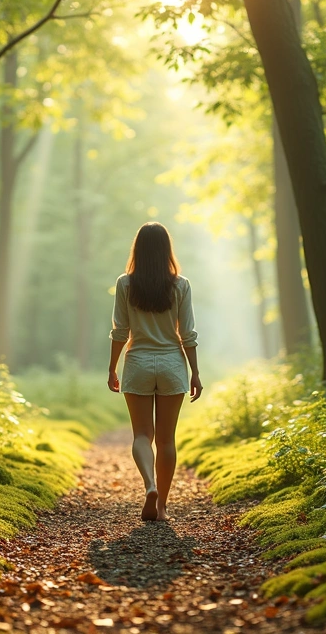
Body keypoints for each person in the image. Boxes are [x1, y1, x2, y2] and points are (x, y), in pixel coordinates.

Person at [107, 222, 203, 521]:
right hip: (173, 363)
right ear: (166, 250)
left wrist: (112, 368)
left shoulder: (125, 283)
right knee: (166, 440)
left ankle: (149, 485)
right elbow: (187, 333)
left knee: (141, 435)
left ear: (138, 248)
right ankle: (161, 507)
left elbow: (120, 331)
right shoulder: (181, 284)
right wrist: (195, 372)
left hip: (137, 363)